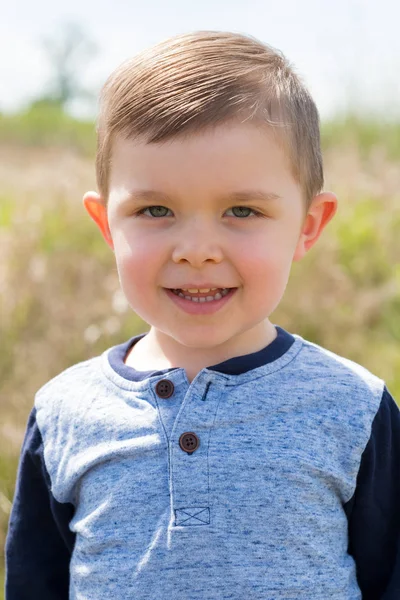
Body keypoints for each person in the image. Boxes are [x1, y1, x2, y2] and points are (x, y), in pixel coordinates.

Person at [5, 31, 400, 600]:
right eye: (154, 209)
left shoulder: (351, 409)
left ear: (308, 225)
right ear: (106, 225)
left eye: (242, 210)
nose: (196, 249)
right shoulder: (65, 413)